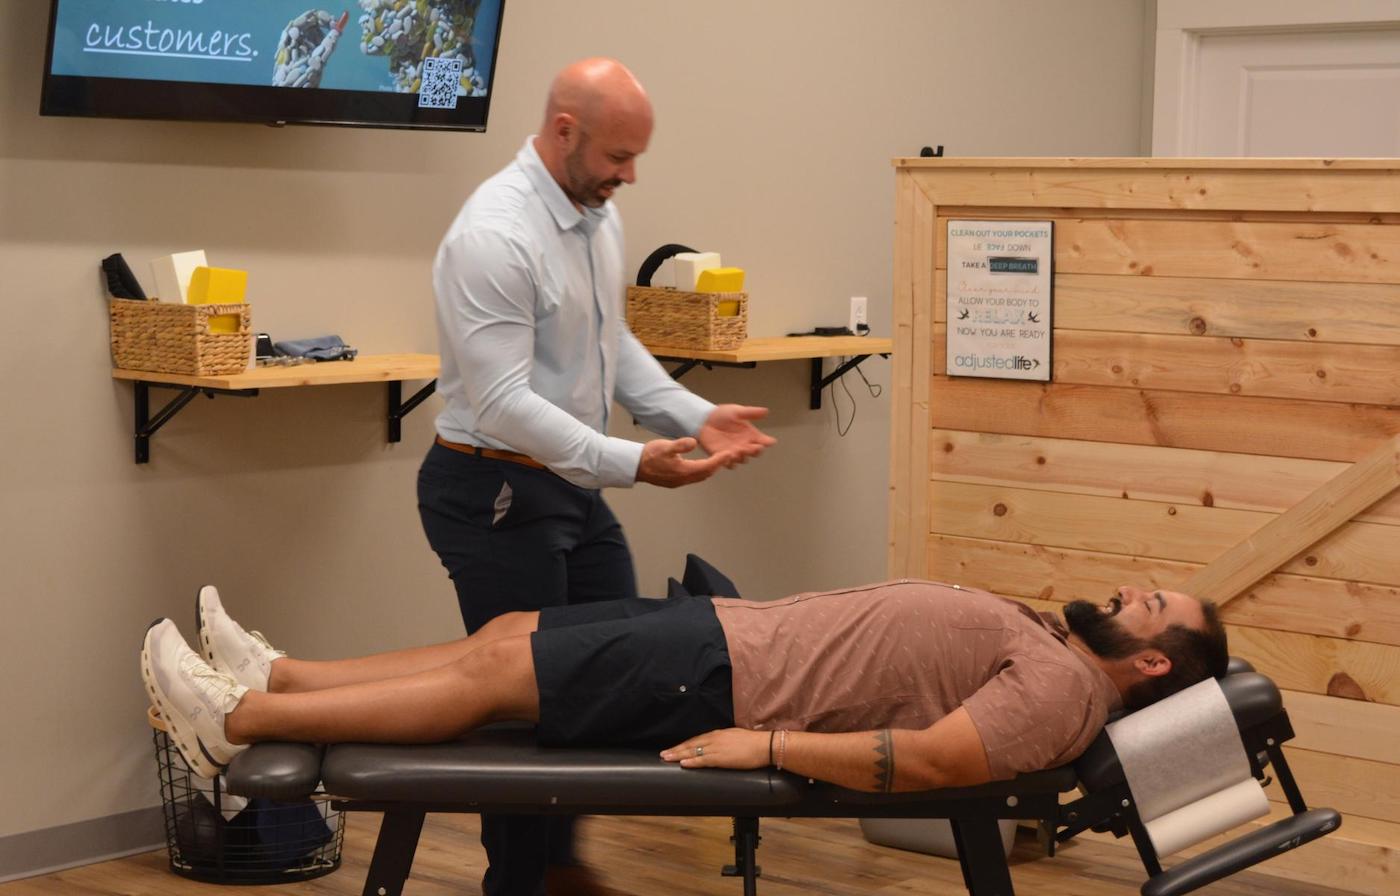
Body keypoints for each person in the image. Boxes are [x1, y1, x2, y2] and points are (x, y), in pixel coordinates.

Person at [419, 57, 774, 893]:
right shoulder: (494, 235)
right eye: (619, 156)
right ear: (564, 131)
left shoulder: (593, 212)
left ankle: (560, 864)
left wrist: (693, 418)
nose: (630, 175)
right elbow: (503, 401)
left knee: (603, 682)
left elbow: (609, 346)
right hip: (491, 487)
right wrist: (628, 463)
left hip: (568, 487)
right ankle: (517, 881)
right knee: (519, 697)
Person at [144, 581, 1228, 798]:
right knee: (506, 633)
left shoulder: (1062, 698)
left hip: (725, 676)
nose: (1134, 588)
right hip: (727, 635)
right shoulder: (1055, 652)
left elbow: (939, 762)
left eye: (1153, 606)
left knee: (486, 678)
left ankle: (237, 723)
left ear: (1150, 666)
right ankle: (281, 672)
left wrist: (767, 747)